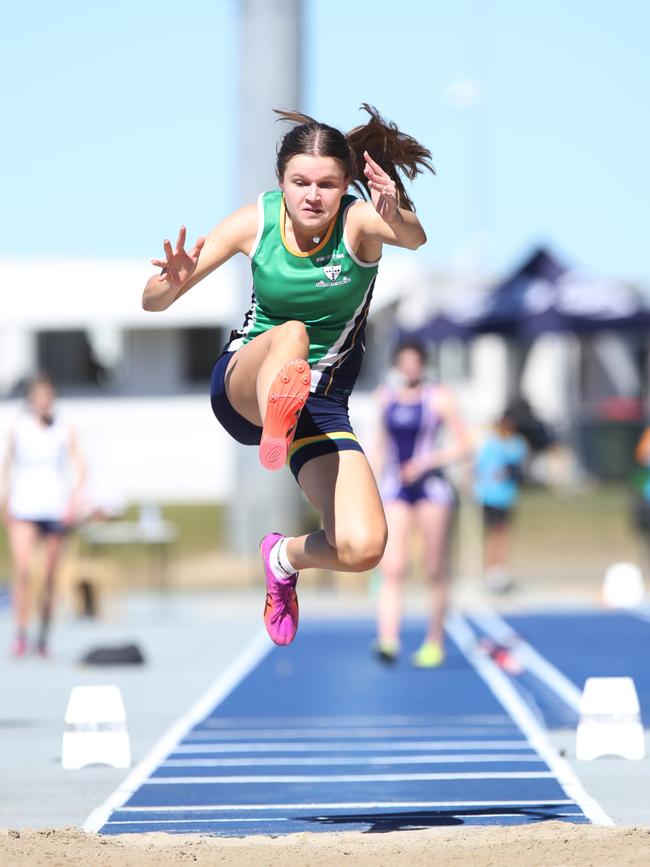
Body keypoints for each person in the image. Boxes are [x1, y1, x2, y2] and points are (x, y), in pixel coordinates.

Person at [142, 105, 434, 646]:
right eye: (300, 182)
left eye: (326, 184)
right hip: (247, 383)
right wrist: (174, 281)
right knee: (293, 333)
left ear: (345, 185)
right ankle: (279, 411)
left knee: (364, 546)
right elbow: (152, 303)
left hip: (318, 405)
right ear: (281, 181)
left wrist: (393, 213)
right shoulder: (256, 221)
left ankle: (282, 556)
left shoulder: (359, 221)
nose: (313, 196)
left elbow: (414, 239)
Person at [372, 340, 470, 667]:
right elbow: (379, 445)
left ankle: (434, 640)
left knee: (433, 567)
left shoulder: (439, 397)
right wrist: (367, 483)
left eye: (416, 362)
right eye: (405, 362)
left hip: (430, 489)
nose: (410, 368)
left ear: (423, 364)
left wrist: (427, 462)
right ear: (398, 365)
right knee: (393, 565)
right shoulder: (385, 397)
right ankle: (388, 639)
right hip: (396, 489)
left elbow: (465, 443)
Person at [1, 374, 86, 657]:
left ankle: (43, 636)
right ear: (31, 399)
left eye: (47, 396)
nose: (43, 402)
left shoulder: (64, 427)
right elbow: (7, 466)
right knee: (23, 571)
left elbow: (80, 467)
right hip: (23, 507)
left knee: (49, 575)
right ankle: (21, 633)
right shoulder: (19, 427)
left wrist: (73, 502)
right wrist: (5, 500)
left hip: (54, 507)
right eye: (38, 396)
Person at [474, 409, 528, 594]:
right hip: (489, 496)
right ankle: (491, 571)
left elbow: (518, 469)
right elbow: (479, 469)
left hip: (506, 497)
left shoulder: (517, 445)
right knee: (493, 534)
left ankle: (500, 570)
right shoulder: (490, 444)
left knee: (502, 534)